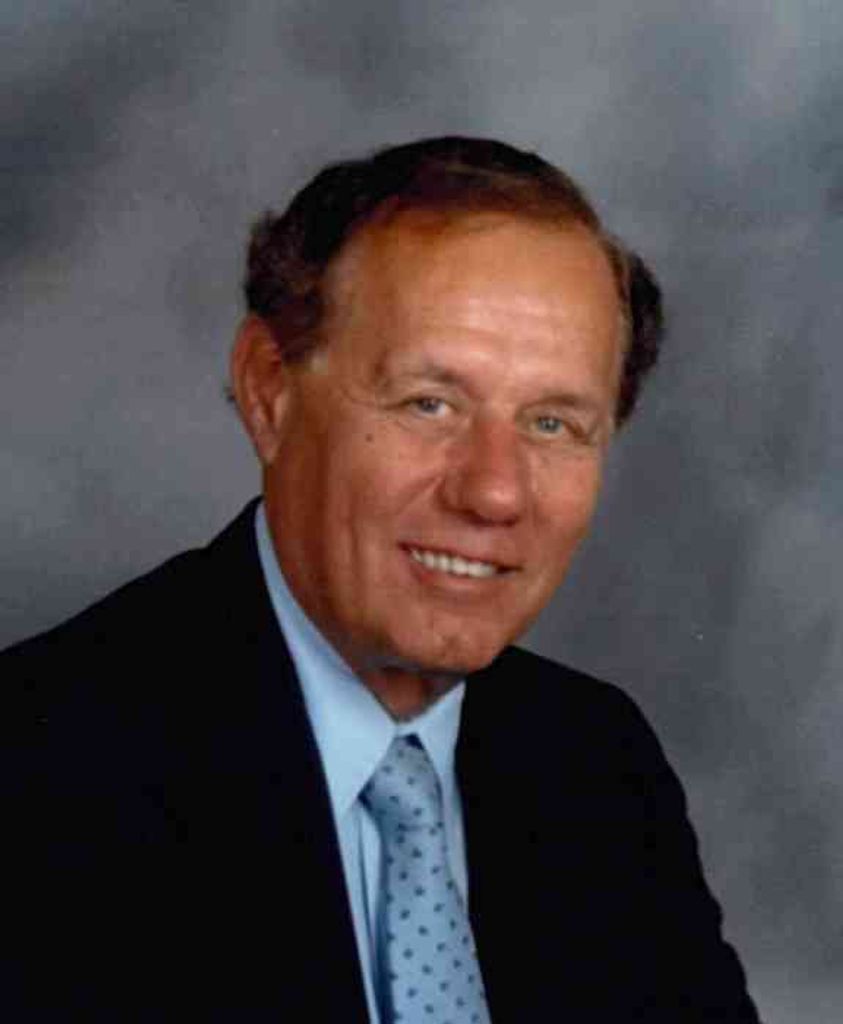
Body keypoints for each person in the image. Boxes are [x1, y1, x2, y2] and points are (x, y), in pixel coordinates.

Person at [2, 136, 761, 1021]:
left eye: (552, 424)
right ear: (269, 391)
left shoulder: (596, 766)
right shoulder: (39, 771)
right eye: (428, 404)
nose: (493, 491)